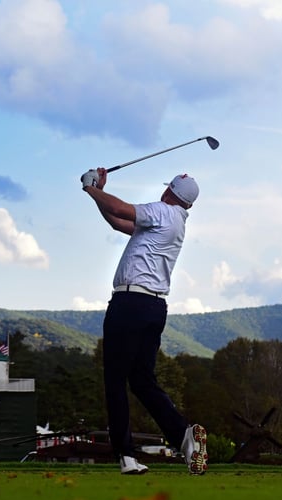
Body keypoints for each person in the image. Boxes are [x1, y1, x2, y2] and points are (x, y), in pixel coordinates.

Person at [81, 168, 208, 476]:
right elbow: (117, 221)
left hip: (130, 303)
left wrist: (91, 189)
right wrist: (97, 193)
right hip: (153, 307)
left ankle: (125, 456)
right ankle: (183, 436)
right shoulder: (173, 221)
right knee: (141, 380)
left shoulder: (162, 211)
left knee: (115, 380)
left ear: (170, 194)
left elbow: (119, 208)